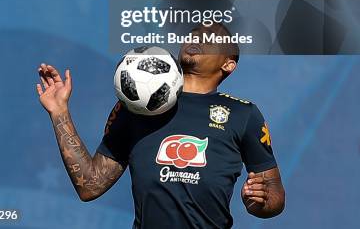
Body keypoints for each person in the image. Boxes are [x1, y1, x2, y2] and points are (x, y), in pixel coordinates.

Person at [36, 22, 285, 228]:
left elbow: (274, 194)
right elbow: (89, 186)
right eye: (194, 34)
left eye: (211, 37)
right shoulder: (135, 105)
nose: (197, 37)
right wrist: (59, 112)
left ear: (228, 64)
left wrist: (261, 201)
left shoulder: (243, 114)